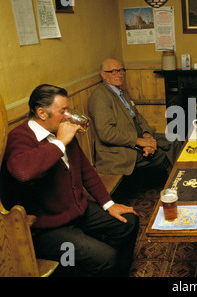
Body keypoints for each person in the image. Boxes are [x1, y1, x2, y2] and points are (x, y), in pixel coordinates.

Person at [2, 84, 139, 276]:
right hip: (46, 226)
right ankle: (103, 263)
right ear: (42, 113)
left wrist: (109, 204)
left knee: (129, 222)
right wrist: (60, 143)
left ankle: (116, 271)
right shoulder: (20, 137)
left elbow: (86, 170)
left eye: (68, 109)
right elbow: (23, 172)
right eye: (63, 110)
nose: (68, 115)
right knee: (105, 258)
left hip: (76, 210)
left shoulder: (60, 131)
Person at [88, 58, 182, 177]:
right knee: (163, 156)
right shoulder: (100, 96)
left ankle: (191, 176)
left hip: (138, 136)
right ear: (103, 75)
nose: (120, 74)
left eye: (121, 70)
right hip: (118, 150)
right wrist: (140, 142)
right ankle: (176, 187)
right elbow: (107, 133)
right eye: (114, 71)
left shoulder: (122, 92)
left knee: (174, 141)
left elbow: (139, 118)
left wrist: (147, 135)